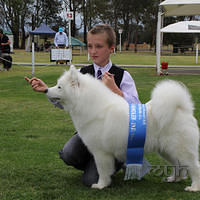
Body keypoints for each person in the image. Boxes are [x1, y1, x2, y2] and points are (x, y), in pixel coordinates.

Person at [25, 24, 141, 187]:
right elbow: (67, 101)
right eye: (90, 46)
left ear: (111, 48)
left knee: (89, 181)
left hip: (114, 138)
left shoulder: (123, 76)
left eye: (99, 46)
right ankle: (96, 162)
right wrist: (46, 90)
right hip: (88, 133)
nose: (93, 51)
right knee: (68, 154)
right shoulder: (80, 74)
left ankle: (116, 161)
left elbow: (137, 109)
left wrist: (116, 90)